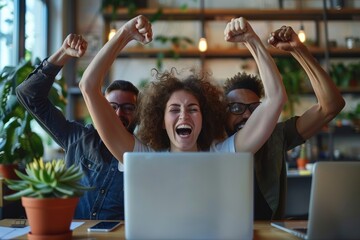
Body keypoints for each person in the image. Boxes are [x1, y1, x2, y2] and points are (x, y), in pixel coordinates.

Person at [79, 15, 287, 165]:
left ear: (203, 118)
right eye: (174, 109)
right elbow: (88, 86)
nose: (184, 115)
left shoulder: (223, 154)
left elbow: (276, 98)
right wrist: (124, 33)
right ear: (160, 120)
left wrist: (251, 39)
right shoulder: (143, 158)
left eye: (193, 109)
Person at [224, 26, 345, 220]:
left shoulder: (275, 136)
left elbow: (331, 106)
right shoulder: (214, 143)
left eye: (255, 108)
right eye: (237, 108)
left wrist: (298, 50)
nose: (247, 115)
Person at [16, 34, 140, 220]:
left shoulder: (142, 153)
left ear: (138, 113)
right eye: (111, 107)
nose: (118, 114)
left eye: (128, 108)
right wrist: (63, 53)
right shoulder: (76, 137)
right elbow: (28, 95)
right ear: (99, 108)